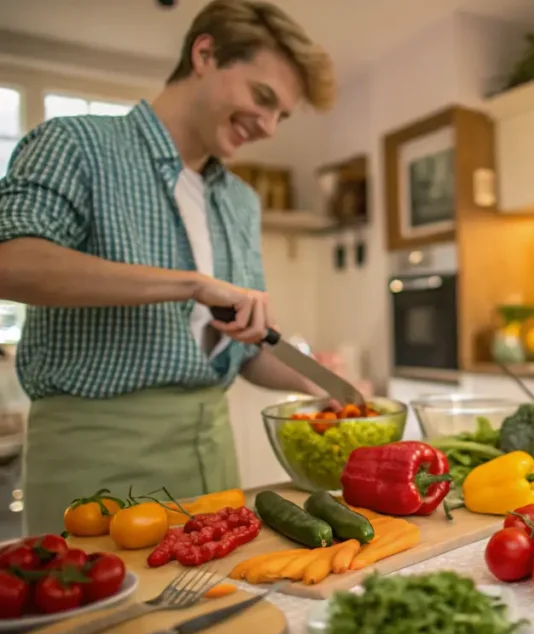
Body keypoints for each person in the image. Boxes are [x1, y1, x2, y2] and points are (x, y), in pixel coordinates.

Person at [0, 0, 337, 534]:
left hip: (213, 462)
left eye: (282, 115)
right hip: (93, 469)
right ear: (205, 54)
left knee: (215, 614)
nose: (270, 126)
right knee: (95, 617)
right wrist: (190, 285)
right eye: (262, 97)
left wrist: (325, 380)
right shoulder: (75, 145)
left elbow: (244, 348)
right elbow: (11, 263)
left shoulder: (241, 201)